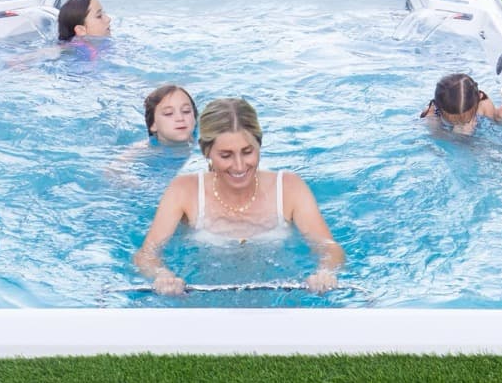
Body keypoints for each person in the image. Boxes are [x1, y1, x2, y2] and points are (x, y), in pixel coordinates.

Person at [134, 97, 344, 295]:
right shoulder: (183, 191)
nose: (239, 165)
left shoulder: (289, 188)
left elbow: (330, 249)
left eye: (247, 152)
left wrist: (325, 272)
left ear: (259, 145)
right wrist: (162, 275)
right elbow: (146, 255)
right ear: (206, 152)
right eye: (226, 155)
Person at [420, 72, 502, 135]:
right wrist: (458, 136)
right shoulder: (432, 113)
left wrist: (499, 117)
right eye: (454, 121)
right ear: (439, 107)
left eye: (464, 119)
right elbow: (437, 139)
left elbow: (494, 126)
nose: (460, 123)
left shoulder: (483, 103)